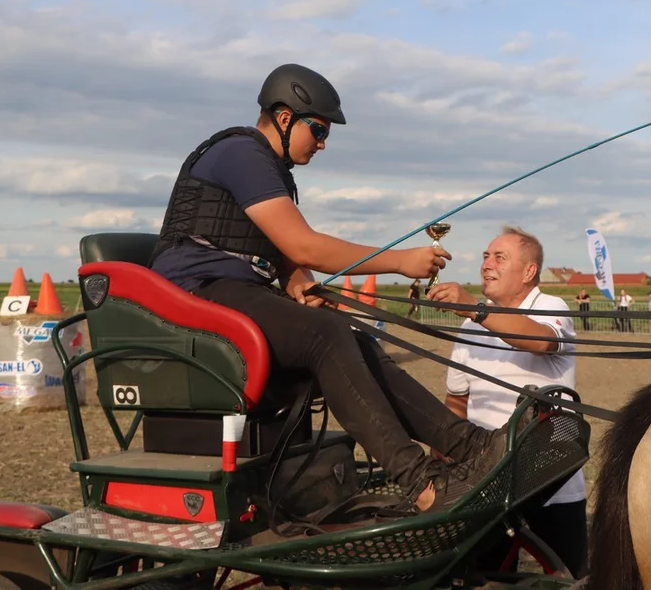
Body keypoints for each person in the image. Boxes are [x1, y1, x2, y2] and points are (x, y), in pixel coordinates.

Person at [148, 63, 533, 513]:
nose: (323, 142)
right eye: (319, 129)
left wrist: (304, 286)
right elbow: (303, 245)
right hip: (191, 295)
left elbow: (290, 261)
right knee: (325, 336)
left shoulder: (272, 172)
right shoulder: (240, 153)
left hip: (231, 294)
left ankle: (473, 448)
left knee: (351, 336)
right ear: (284, 116)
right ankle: (423, 484)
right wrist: (401, 261)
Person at [428, 227, 588, 579]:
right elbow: (456, 400)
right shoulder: (470, 328)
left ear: (529, 272)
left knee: (569, 579)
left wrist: (473, 306)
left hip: (551, 484)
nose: (487, 264)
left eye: (499, 257)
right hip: (486, 485)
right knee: (484, 578)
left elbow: (542, 341)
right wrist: (443, 460)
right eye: (486, 256)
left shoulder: (550, 307)